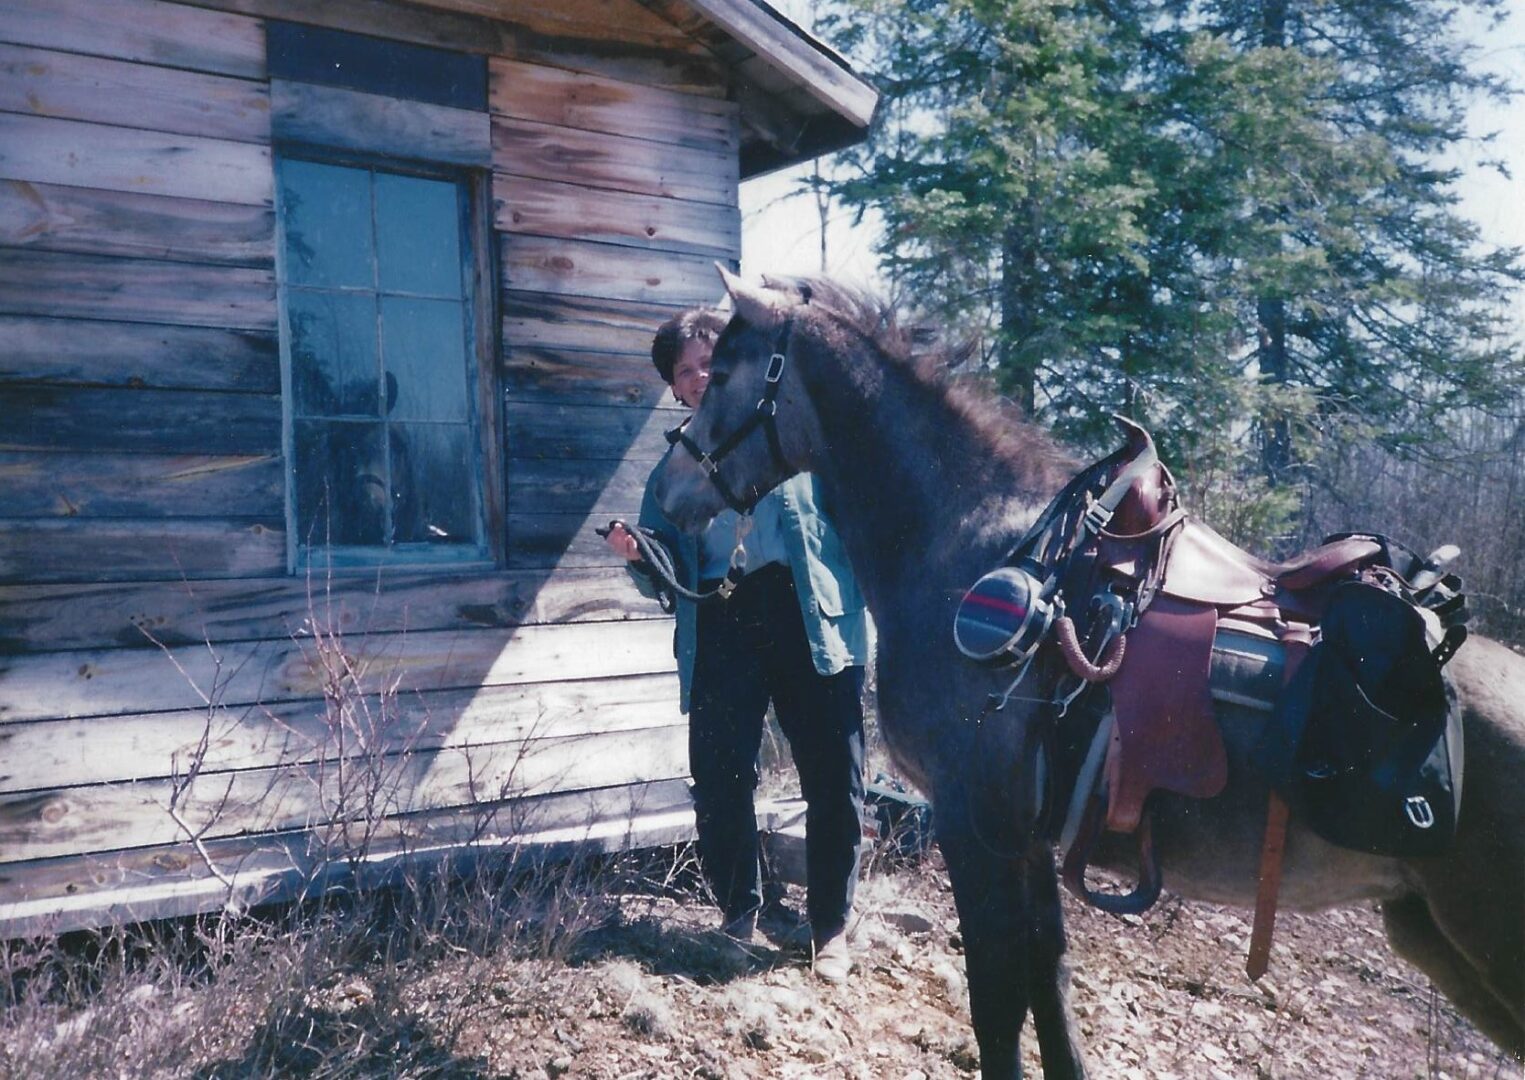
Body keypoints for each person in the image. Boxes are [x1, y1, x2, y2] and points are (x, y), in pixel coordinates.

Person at [604, 307, 873, 983]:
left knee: (833, 777)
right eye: (685, 371)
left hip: (810, 620)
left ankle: (830, 927)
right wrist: (641, 555)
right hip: (723, 624)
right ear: (674, 388)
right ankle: (738, 917)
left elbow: (863, 527)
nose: (700, 378)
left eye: (711, 365)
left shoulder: (800, 438)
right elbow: (664, 577)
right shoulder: (672, 468)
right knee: (721, 779)